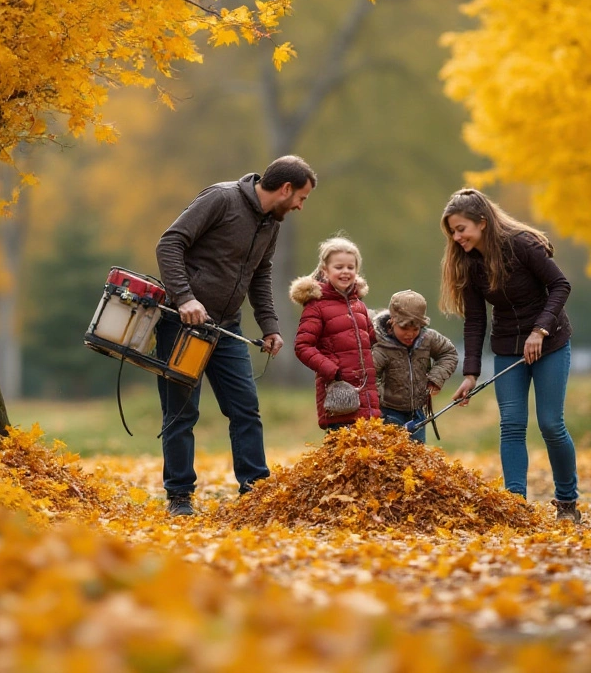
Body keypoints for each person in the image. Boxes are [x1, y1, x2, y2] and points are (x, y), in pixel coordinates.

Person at [154, 155, 315, 516]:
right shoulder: (221, 199)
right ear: (285, 189)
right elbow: (169, 244)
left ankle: (255, 494)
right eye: (301, 198)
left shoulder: (270, 223)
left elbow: (260, 275)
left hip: (227, 328)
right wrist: (185, 298)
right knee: (181, 413)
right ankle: (179, 497)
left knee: (246, 410)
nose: (300, 206)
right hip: (183, 326)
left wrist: (270, 326)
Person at [439, 188, 582, 524]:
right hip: (507, 348)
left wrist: (540, 331)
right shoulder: (470, 264)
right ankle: (515, 507)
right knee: (512, 425)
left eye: (461, 229)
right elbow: (475, 320)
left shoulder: (522, 245)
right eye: (452, 232)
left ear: (483, 222)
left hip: (550, 343)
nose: (457, 237)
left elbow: (560, 285)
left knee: (550, 424)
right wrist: (470, 374)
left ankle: (566, 503)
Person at [291, 236, 381, 431]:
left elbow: (373, 341)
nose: (345, 272)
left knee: (368, 455)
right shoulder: (316, 306)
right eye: (339, 267)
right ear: (325, 271)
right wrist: (332, 370)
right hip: (339, 397)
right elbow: (302, 346)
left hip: (367, 395)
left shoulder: (360, 306)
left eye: (350, 267)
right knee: (342, 455)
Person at [372, 290, 458, 444]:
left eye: (415, 329)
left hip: (418, 414)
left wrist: (436, 378)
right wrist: (377, 407)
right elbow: (371, 375)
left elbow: (449, 353)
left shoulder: (429, 338)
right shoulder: (381, 346)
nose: (410, 334)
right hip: (388, 413)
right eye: (404, 328)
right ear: (392, 321)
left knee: (416, 457)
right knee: (393, 457)